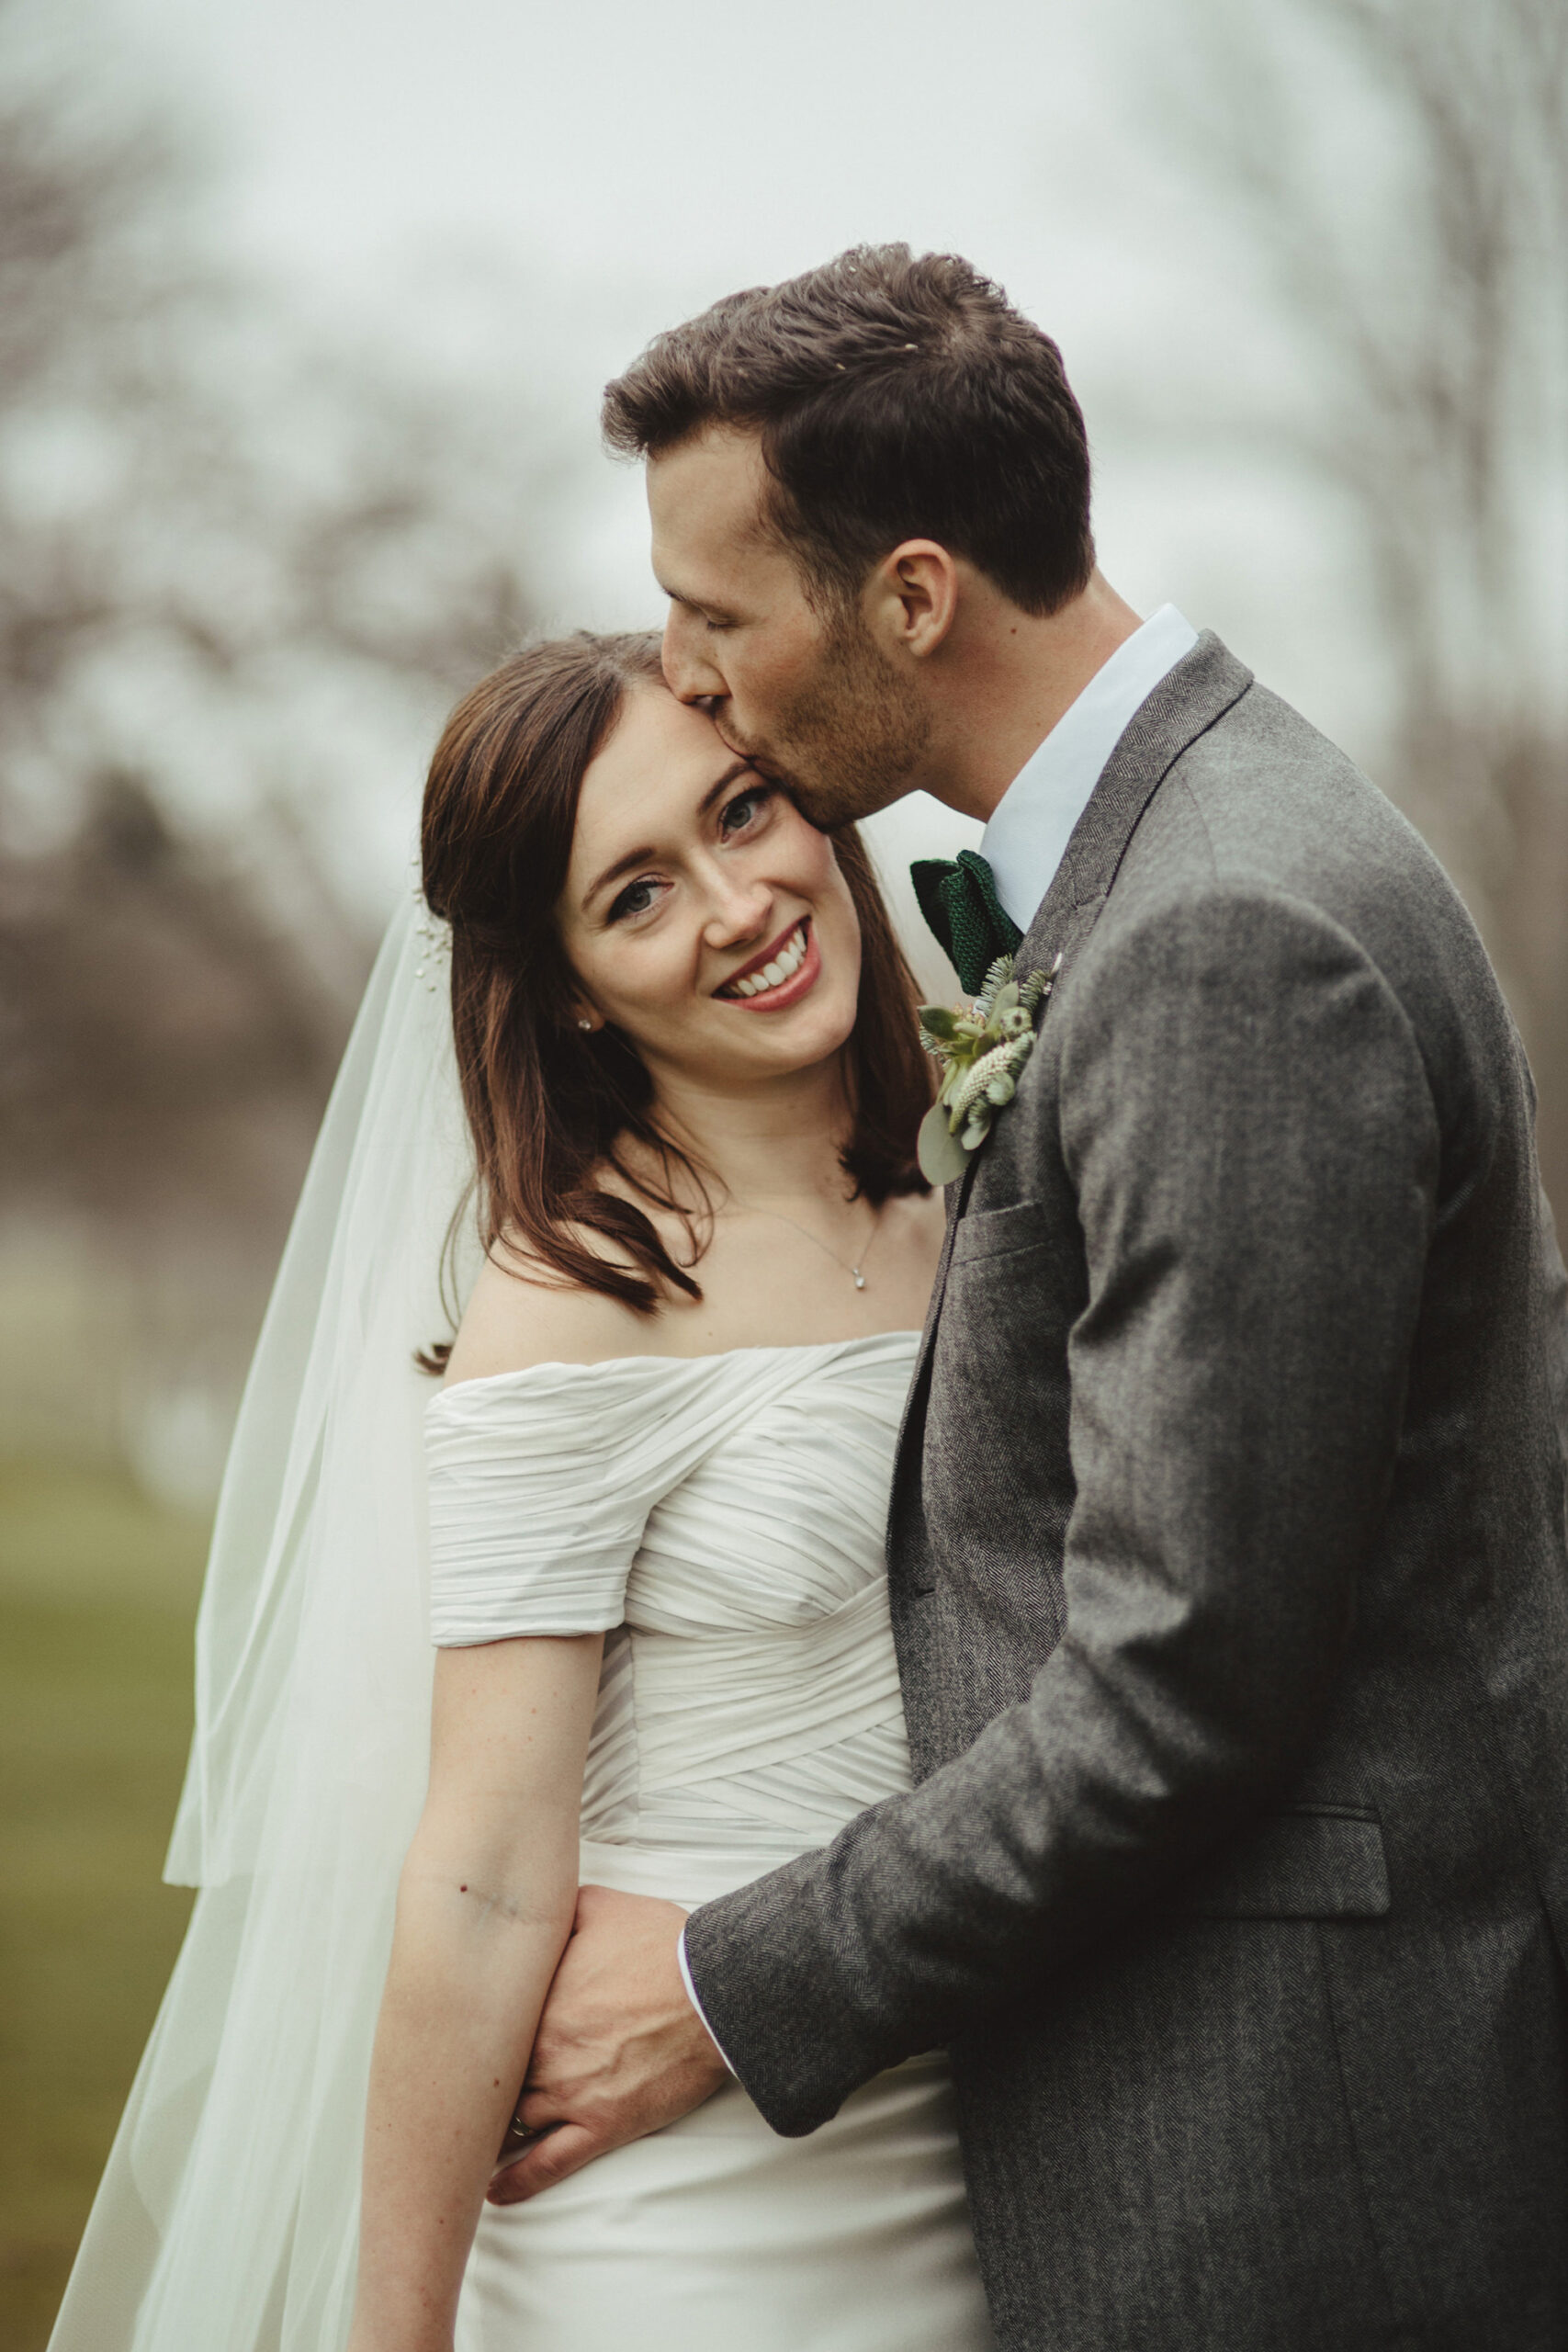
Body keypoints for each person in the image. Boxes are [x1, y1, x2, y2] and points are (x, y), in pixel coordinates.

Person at [500, 245, 1568, 2349]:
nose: (691, 677)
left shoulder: (1221, 930)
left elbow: (1178, 1675)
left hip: (1284, 2142)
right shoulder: (1186, 849)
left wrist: (729, 1982)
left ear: (907, 597)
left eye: (719, 619)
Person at [48, 628, 996, 2352]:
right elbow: (481, 1867)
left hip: (981, 2155)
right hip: (698, 2225)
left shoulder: (965, 1227)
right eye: (635, 895)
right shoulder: (580, 1298)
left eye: (744, 812)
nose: (737, 904)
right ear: (566, 983)